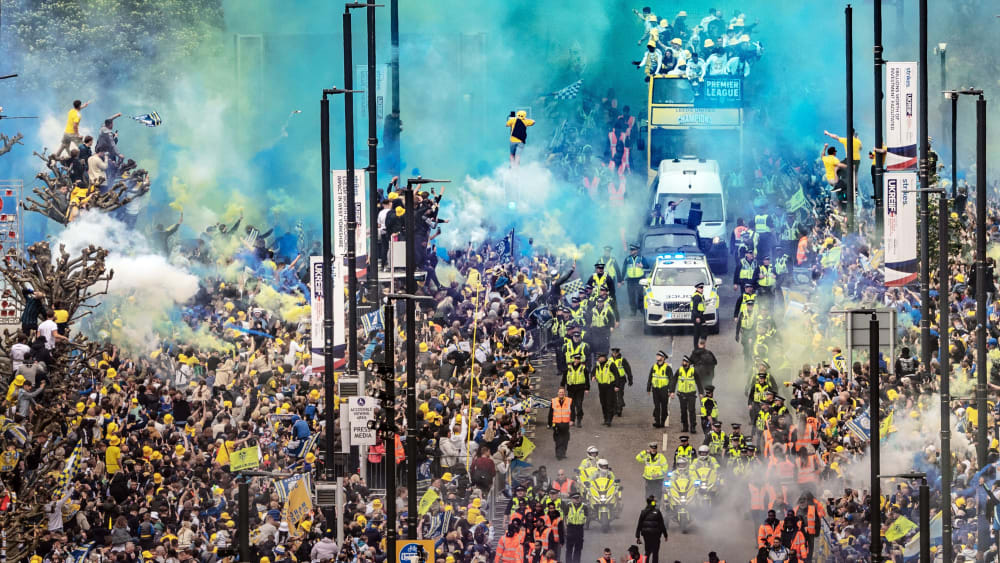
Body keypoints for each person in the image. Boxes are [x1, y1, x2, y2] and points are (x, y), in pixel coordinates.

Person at [669, 355, 701, 433]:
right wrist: (672, 391)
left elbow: (698, 382)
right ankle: (685, 426)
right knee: (683, 411)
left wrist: (701, 393)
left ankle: (693, 427)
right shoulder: (679, 370)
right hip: (682, 394)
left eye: (685, 361)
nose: (683, 362)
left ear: (688, 363)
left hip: (691, 394)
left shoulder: (693, 371)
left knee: (692, 410)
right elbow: (674, 381)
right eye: (683, 361)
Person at [635, 495, 668, 563]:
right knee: (655, 552)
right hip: (656, 535)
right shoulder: (658, 512)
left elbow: (639, 525)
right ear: (653, 503)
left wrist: (638, 536)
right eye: (654, 502)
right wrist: (665, 535)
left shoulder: (643, 512)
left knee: (647, 551)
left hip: (646, 535)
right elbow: (661, 525)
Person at [593, 352, 623, 426]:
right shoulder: (597, 365)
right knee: (603, 403)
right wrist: (593, 376)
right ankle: (605, 419)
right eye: (598, 358)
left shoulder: (611, 364)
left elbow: (617, 375)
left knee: (609, 403)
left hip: (610, 386)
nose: (599, 359)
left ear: (604, 357)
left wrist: (617, 386)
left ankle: (609, 420)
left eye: (600, 357)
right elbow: (593, 372)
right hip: (601, 386)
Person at [559, 353, 589, 427]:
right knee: (571, 405)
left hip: (580, 389)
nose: (577, 360)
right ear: (573, 359)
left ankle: (579, 419)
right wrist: (562, 386)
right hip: (571, 389)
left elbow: (587, 379)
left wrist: (587, 388)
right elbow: (564, 377)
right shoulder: (568, 368)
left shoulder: (583, 368)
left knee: (579, 404)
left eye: (578, 359)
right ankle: (572, 419)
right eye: (575, 359)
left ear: (580, 360)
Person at [647, 351, 672, 428]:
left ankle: (663, 421)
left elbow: (671, 380)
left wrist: (670, 390)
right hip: (655, 389)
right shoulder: (654, 366)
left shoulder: (667, 367)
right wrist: (648, 388)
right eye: (657, 355)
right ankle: (657, 421)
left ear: (663, 358)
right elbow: (650, 377)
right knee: (657, 406)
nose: (657, 356)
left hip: (664, 389)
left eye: (659, 355)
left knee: (664, 407)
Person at [623, 244, 648, 315]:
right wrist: (621, 279)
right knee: (631, 296)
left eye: (633, 250)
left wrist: (642, 266)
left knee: (640, 295)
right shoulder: (627, 259)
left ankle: (641, 309)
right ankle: (633, 311)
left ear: (636, 251)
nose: (631, 251)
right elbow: (624, 269)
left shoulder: (641, 258)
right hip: (630, 280)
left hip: (639, 279)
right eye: (630, 250)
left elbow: (647, 266)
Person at [548, 387, 572, 460]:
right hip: (556, 424)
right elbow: (551, 413)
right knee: (558, 439)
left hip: (565, 423)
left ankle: (563, 453)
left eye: (562, 392)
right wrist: (549, 423)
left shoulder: (569, 400)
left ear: (564, 393)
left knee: (565, 439)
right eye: (560, 392)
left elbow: (572, 410)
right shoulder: (554, 401)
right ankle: (558, 454)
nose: (561, 393)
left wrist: (572, 420)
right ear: (558, 393)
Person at [563, 493, 588, 563]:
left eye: (578, 498)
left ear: (580, 498)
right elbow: (565, 517)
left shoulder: (584, 506)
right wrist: (565, 528)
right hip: (570, 528)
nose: (576, 499)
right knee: (569, 549)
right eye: (575, 498)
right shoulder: (568, 506)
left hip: (579, 529)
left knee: (578, 548)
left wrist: (584, 525)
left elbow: (586, 517)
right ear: (571, 499)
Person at [611, 347, 633, 416]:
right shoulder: (609, 360)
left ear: (618, 353)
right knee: (613, 395)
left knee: (619, 394)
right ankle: (615, 409)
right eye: (613, 353)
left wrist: (630, 379)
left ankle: (619, 409)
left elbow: (628, 370)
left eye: (616, 353)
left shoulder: (622, 360)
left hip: (621, 380)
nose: (615, 354)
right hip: (612, 380)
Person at [690, 282, 707, 349]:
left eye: (702, 288)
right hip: (697, 316)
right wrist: (697, 317)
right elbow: (694, 308)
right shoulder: (697, 297)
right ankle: (698, 347)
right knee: (701, 332)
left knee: (699, 332)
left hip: (700, 316)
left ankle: (698, 347)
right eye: (700, 288)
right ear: (697, 288)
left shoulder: (699, 295)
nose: (702, 289)